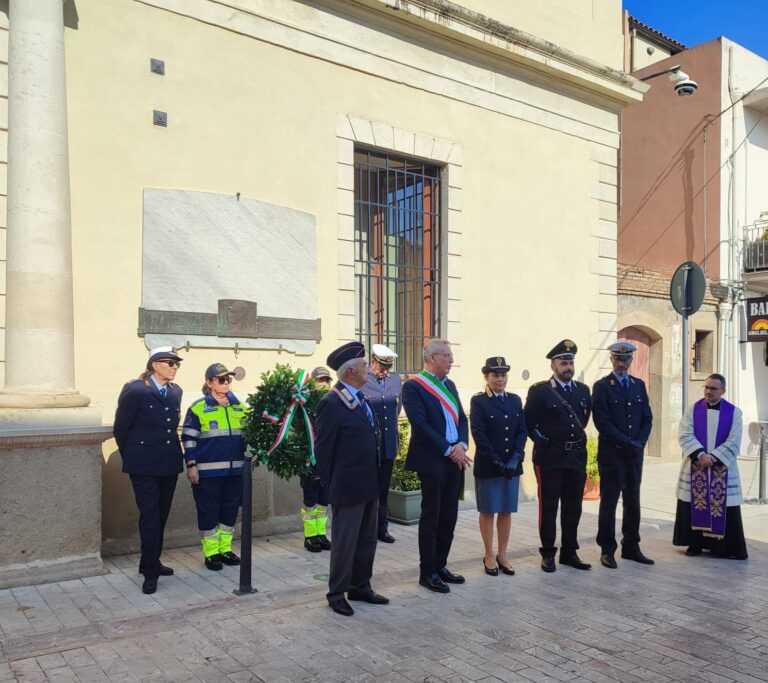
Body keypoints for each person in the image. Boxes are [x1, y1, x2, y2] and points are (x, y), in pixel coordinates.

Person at [315, 342, 388, 616]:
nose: (368, 369)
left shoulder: (359, 398)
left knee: (367, 540)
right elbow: (323, 450)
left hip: (369, 483)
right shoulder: (332, 403)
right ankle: (336, 593)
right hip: (346, 487)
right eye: (363, 366)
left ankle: (360, 585)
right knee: (345, 542)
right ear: (350, 372)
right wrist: (331, 485)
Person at [402, 338, 471, 594]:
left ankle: (441, 565)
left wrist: (462, 444)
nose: (451, 361)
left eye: (451, 356)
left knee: (449, 516)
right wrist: (449, 449)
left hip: (455, 458)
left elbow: (462, 419)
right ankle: (427, 571)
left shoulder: (450, 384)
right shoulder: (413, 387)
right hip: (432, 460)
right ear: (432, 358)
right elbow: (420, 425)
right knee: (432, 517)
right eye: (447, 356)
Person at [113, 346, 184, 594]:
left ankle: (150, 562)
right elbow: (121, 428)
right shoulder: (136, 389)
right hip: (143, 465)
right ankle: (150, 573)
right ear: (154, 364)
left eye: (177, 364)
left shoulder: (175, 392)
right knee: (150, 516)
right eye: (170, 362)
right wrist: (134, 456)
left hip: (168, 462)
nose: (174, 367)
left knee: (161, 515)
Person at [524, 339, 592, 573]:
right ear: (553, 365)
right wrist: (544, 441)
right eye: (563, 362)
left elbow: (583, 420)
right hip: (549, 457)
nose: (568, 367)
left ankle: (569, 552)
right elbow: (528, 423)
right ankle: (548, 553)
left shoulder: (583, 390)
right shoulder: (540, 391)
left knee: (574, 507)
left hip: (575, 456)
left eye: (570, 362)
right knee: (549, 507)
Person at [591, 342, 654, 569]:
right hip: (612, 455)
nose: (621, 363)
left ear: (631, 361)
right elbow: (602, 422)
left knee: (633, 501)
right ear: (611, 360)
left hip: (634, 454)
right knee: (609, 503)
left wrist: (640, 441)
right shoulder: (601, 386)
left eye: (625, 359)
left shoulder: (639, 385)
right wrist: (627, 442)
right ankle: (607, 549)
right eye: (617, 359)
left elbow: (647, 417)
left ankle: (631, 547)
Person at [673, 374, 747, 560]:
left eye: (713, 388)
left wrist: (714, 457)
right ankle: (695, 543)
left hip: (721, 467)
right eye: (706, 387)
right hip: (696, 464)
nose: (708, 391)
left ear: (723, 391)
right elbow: (684, 434)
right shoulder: (693, 410)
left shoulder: (734, 413)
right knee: (693, 503)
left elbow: (734, 440)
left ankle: (722, 547)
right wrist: (700, 454)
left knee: (725, 506)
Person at [181, 363, 246, 571]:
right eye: (221, 380)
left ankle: (225, 549)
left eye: (228, 379)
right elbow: (189, 439)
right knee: (209, 511)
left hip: (235, 471)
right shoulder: (198, 407)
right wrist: (191, 465)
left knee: (230, 511)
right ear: (209, 383)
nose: (226, 383)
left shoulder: (239, 407)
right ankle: (211, 553)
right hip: (207, 472)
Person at [470, 356, 526, 577]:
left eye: (503, 375)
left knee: (505, 510)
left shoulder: (514, 400)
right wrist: (496, 460)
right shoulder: (479, 401)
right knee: (488, 511)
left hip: (510, 466)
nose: (500, 379)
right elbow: (479, 434)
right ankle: (489, 554)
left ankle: (503, 554)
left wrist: (516, 457)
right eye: (495, 375)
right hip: (489, 464)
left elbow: (522, 430)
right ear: (487, 376)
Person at [363, 343, 403, 543]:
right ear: (372, 362)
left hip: (388, 445)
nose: (385, 371)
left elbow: (396, 411)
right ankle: (367, 529)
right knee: (368, 488)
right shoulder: (363, 380)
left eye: (388, 367)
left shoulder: (396, 381)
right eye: (381, 367)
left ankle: (382, 528)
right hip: (369, 445)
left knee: (383, 489)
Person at [298, 366, 333, 553]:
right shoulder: (304, 405)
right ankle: (310, 536)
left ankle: (321, 534)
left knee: (324, 500)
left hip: (327, 461)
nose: (324, 384)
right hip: (310, 461)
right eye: (320, 380)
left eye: (327, 380)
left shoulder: (333, 404)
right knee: (310, 500)